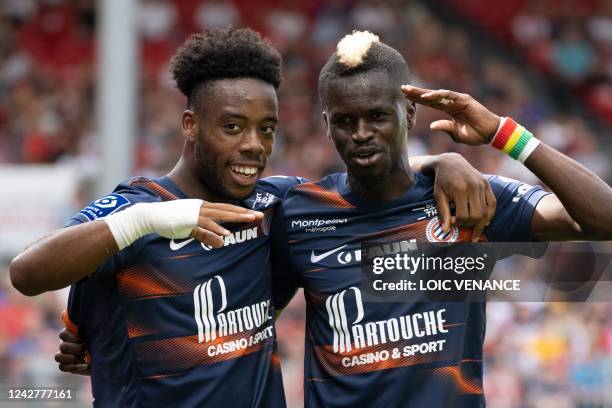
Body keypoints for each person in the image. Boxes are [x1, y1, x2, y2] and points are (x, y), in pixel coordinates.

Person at [10, 28, 495, 406]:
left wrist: (444, 162)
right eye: (232, 127)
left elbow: (369, 180)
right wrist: (146, 221)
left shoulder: (275, 205)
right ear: (190, 125)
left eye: (267, 129)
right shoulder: (139, 207)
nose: (253, 146)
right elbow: (27, 273)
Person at [268, 31, 612, 407]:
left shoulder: (469, 198)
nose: (362, 134)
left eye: (378, 116)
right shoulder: (301, 213)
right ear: (327, 123)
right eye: (345, 121)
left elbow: (603, 218)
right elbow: (255, 321)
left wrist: (503, 133)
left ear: (409, 112)